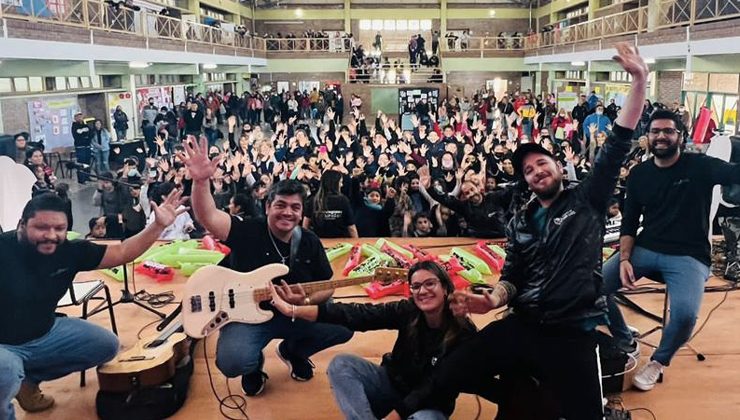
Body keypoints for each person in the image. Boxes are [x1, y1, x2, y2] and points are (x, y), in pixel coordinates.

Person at [396, 42, 648, 419]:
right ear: (526, 180)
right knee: (453, 366)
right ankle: (403, 411)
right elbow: (512, 275)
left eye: (541, 163)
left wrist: (640, 80)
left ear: (558, 167)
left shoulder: (587, 199)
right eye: (528, 170)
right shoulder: (521, 221)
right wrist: (492, 300)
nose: (536, 172)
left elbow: (617, 143)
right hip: (524, 324)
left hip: (572, 332)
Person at [181, 136, 353, 396]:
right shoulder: (248, 229)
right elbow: (208, 216)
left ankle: (293, 351)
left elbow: (327, 286)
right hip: (246, 317)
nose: (288, 213)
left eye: (295, 207)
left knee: (345, 325)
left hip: (294, 313)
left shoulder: (308, 241)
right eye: (280, 205)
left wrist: (303, 303)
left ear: (301, 212)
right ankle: (253, 366)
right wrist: (201, 181)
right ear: (267, 206)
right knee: (232, 361)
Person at [0, 190, 187, 419]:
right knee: (5, 372)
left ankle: (28, 381)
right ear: (21, 224)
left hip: (45, 332)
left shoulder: (69, 251)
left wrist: (157, 227)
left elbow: (123, 251)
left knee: (106, 345)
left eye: (59, 229)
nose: (51, 235)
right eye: (41, 227)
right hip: (3, 345)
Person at [602, 108, 740, 392]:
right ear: (647, 137)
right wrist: (625, 258)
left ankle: (659, 361)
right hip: (646, 247)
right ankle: (624, 335)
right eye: (655, 131)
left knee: (686, 315)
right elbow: (629, 222)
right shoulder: (640, 174)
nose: (661, 136)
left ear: (681, 136)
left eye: (668, 131)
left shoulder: (700, 166)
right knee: (590, 286)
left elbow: (735, 173)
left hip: (689, 256)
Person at [269, 260, 476, 420]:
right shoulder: (408, 311)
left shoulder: (463, 332)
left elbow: (433, 386)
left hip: (429, 406)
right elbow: (356, 314)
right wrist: (294, 310)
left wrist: (395, 415)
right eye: (416, 286)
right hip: (391, 386)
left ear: (446, 288)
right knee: (342, 364)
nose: (422, 291)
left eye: (430, 283)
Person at [303, 170, 358, 238]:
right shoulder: (343, 200)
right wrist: (357, 243)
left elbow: (305, 226)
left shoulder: (313, 200)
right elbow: (351, 227)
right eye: (340, 182)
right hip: (340, 243)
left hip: (319, 242)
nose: (342, 185)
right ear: (335, 183)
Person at [71, 112, 92, 184]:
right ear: (75, 118)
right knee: (81, 163)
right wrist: (83, 132)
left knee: (87, 162)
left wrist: (86, 135)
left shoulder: (85, 125)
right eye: (78, 116)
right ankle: (81, 179)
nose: (80, 118)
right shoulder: (74, 126)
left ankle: (87, 176)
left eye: (81, 116)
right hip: (80, 147)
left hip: (87, 146)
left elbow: (90, 133)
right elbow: (77, 135)